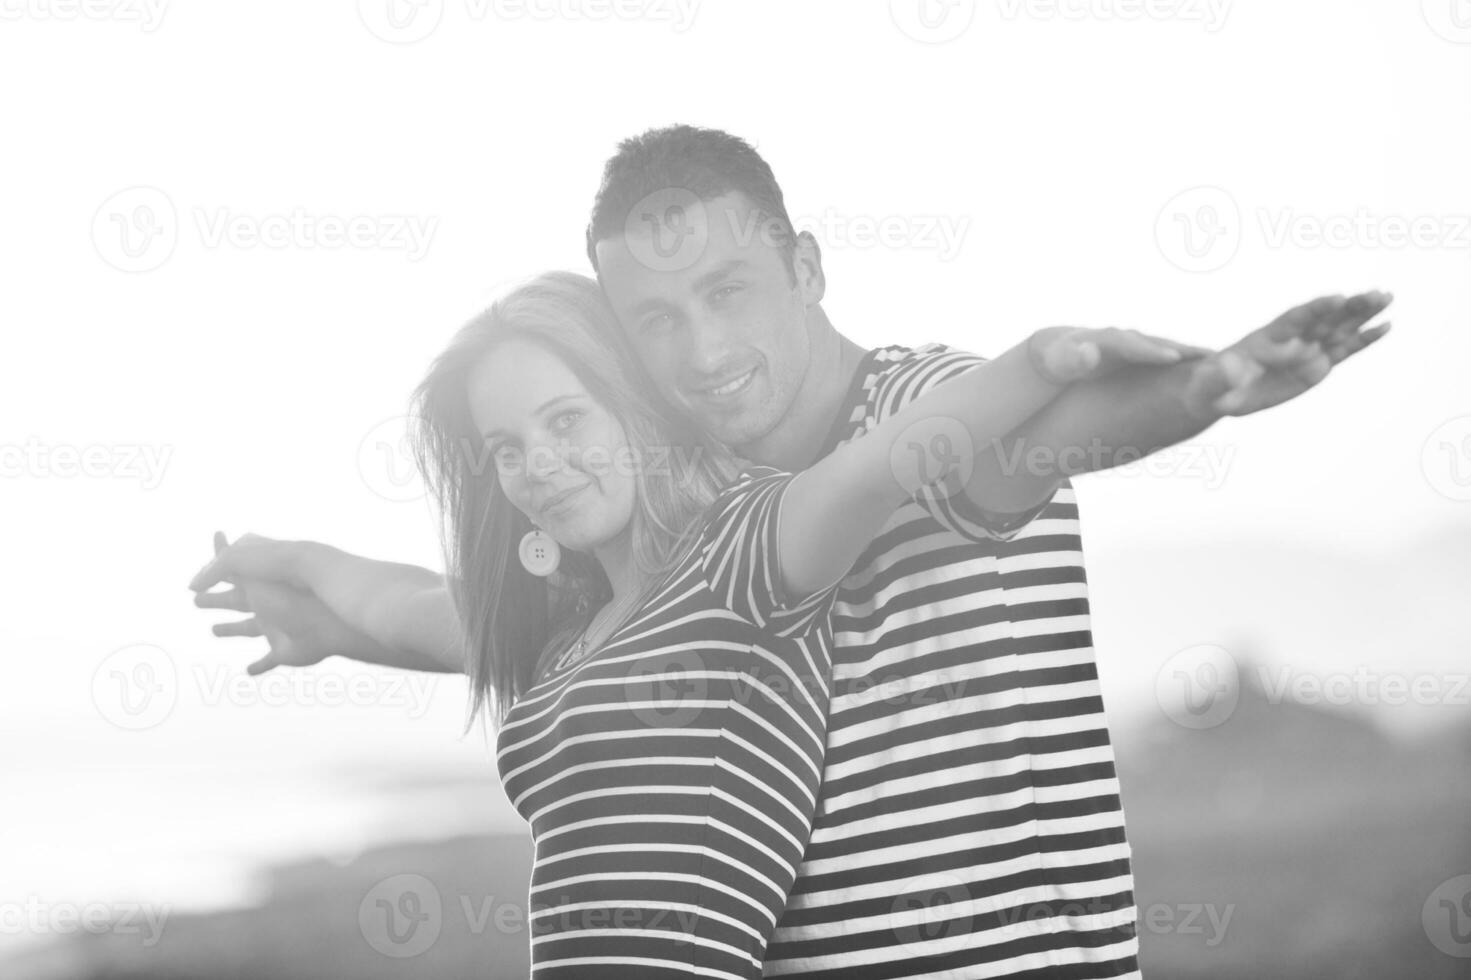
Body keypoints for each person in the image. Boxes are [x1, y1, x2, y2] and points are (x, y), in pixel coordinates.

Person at [192, 127, 1392, 978]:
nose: (702, 347)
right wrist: (318, 600)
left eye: (729, 290)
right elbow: (480, 614)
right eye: (656, 319)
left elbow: (1037, 438)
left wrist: (1205, 385)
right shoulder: (687, 530)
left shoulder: (915, 409)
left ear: (807, 268)